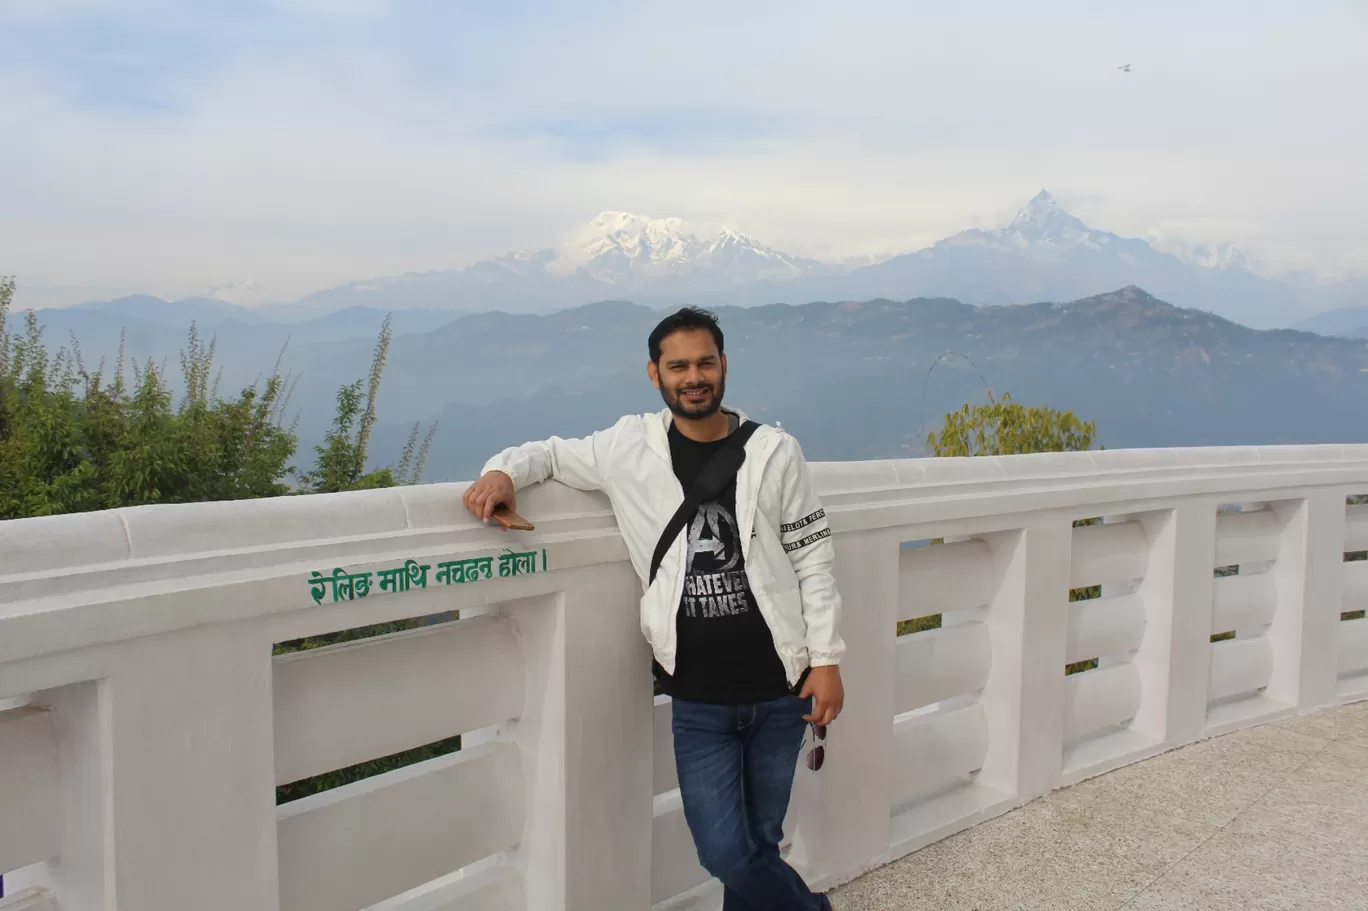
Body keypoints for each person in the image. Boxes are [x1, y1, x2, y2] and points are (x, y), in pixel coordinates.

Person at [464, 306, 844, 910]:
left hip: (781, 686)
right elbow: (551, 455)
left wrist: (825, 659)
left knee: (760, 844)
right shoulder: (627, 449)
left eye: (705, 363)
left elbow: (812, 560)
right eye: (678, 366)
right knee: (725, 851)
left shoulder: (774, 453)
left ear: (723, 366)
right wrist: (502, 473)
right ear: (654, 374)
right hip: (698, 697)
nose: (693, 377)